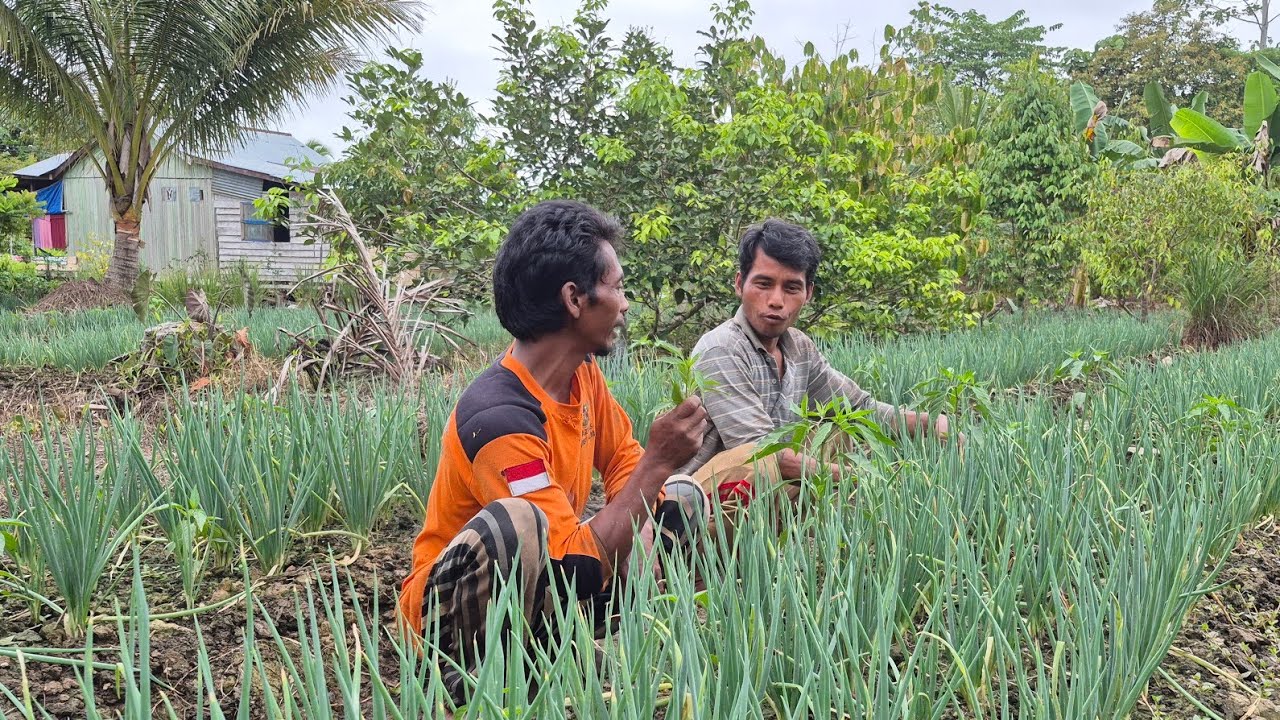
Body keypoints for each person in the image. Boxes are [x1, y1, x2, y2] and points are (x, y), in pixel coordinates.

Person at [398, 199, 709, 705]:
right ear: (574, 299)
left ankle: (566, 651)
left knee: (681, 497)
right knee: (517, 524)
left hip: (550, 581)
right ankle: (465, 681)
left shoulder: (581, 373)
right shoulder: (501, 419)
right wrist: (657, 462)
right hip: (461, 612)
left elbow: (623, 458)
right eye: (617, 287)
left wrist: (644, 524)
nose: (625, 304)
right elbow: (570, 567)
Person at [681, 219, 958, 498]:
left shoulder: (798, 348)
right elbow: (762, 452)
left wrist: (929, 423)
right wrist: (865, 479)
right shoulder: (722, 348)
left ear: (808, 293)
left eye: (791, 288)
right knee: (759, 463)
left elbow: (858, 408)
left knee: (840, 431)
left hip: (767, 490)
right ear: (740, 284)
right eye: (763, 284)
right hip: (704, 499)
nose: (776, 300)